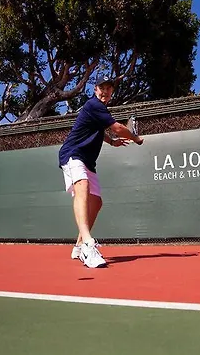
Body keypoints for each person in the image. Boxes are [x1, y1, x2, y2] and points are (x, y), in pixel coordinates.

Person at [58, 74, 144, 268]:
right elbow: (118, 128)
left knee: (96, 202)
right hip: (73, 154)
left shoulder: (99, 110)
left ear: (112, 91)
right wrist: (135, 138)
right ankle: (88, 244)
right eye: (102, 88)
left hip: (88, 160)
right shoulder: (93, 104)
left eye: (108, 88)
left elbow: (99, 130)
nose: (105, 91)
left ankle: (79, 245)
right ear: (95, 90)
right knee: (82, 187)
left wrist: (111, 142)